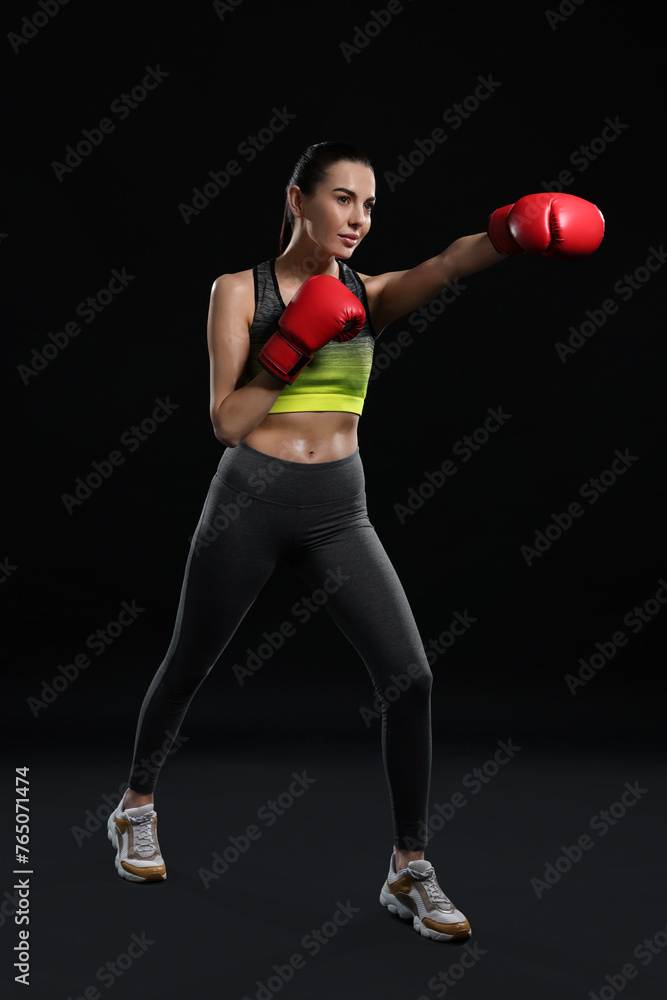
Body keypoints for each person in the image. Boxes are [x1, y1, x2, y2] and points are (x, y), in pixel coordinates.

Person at [107, 141, 604, 942]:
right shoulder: (237, 291)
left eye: (369, 206)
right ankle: (135, 805)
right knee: (189, 661)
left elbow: (445, 264)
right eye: (343, 199)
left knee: (409, 679)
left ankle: (407, 868)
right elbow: (226, 423)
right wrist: (289, 347)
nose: (358, 219)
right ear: (298, 200)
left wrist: (512, 231)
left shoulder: (367, 296)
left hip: (340, 508)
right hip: (251, 502)